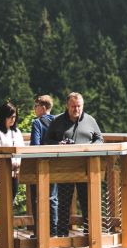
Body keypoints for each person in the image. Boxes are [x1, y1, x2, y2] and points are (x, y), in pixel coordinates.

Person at [42, 92, 104, 236]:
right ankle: (62, 234)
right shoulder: (57, 121)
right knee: (64, 203)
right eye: (73, 106)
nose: (76, 109)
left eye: (79, 106)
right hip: (65, 169)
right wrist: (58, 144)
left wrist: (92, 146)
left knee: (87, 201)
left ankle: (90, 233)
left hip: (86, 168)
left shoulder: (90, 120)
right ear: (67, 106)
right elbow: (46, 141)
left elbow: (100, 138)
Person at [0, 101, 25, 216]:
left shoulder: (16, 131)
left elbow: (21, 149)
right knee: (5, 198)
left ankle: (8, 223)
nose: (12, 119)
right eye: (10, 117)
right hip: (0, 170)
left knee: (11, 198)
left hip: (15, 171)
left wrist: (17, 166)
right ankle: (5, 225)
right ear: (3, 116)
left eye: (14, 117)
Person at [30, 94, 56, 227]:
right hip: (56, 165)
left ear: (44, 107)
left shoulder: (37, 123)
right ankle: (53, 230)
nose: (34, 109)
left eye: (36, 106)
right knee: (52, 198)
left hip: (39, 166)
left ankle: (39, 230)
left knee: (37, 199)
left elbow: (35, 145)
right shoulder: (58, 121)